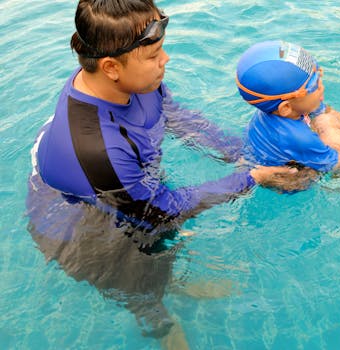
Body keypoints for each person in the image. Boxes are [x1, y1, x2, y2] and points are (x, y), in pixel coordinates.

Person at [27, 2, 310, 349]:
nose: (166, 61)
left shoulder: (134, 82)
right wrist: (253, 177)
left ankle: (171, 285)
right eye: (154, 55)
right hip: (77, 221)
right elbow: (160, 211)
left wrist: (245, 156)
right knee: (135, 269)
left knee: (159, 241)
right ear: (111, 66)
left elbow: (175, 116)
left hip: (127, 187)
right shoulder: (98, 148)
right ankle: (156, 320)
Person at [236, 40, 340, 180]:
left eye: (319, 76)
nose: (322, 86)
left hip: (256, 151)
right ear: (286, 107)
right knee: (305, 177)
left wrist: (337, 122)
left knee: (328, 121)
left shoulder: (284, 108)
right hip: (276, 174)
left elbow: (325, 111)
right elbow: (337, 167)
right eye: (314, 86)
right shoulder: (300, 137)